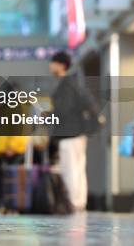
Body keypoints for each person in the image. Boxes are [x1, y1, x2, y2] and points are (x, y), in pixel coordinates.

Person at [49, 50, 94, 212]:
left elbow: (63, 110)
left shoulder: (66, 85)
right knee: (79, 169)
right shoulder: (74, 83)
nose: (50, 66)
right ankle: (80, 203)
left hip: (68, 133)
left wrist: (48, 115)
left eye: (52, 62)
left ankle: (73, 203)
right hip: (78, 133)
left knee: (70, 170)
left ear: (61, 65)